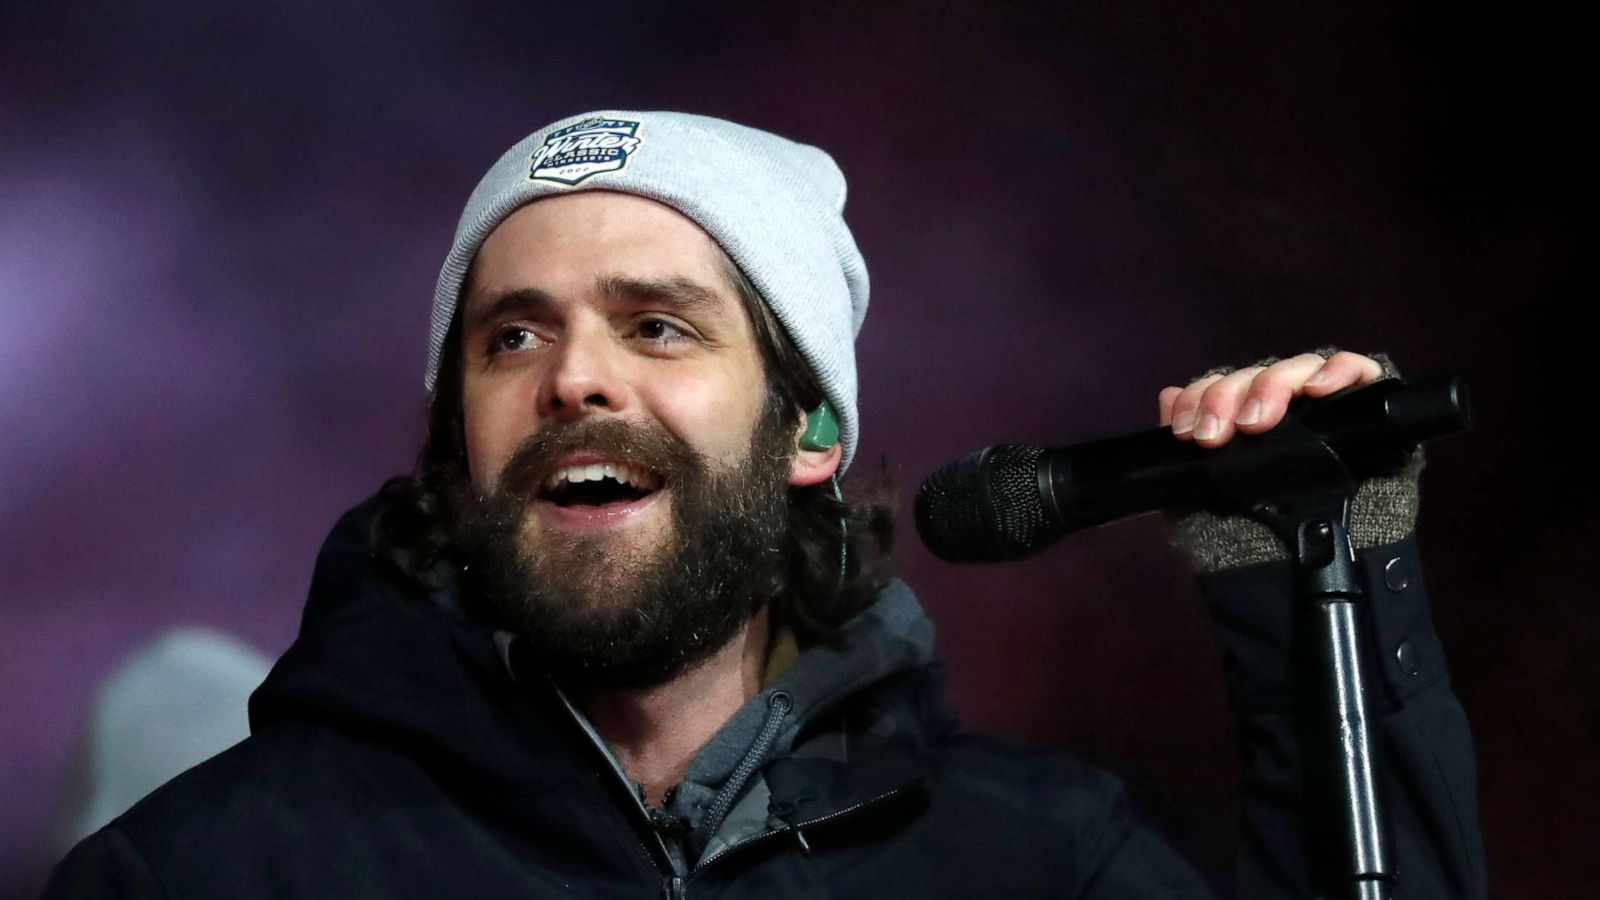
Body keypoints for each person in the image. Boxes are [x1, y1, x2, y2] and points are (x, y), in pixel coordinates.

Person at [43, 111, 1486, 898]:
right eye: (511, 336)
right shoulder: (208, 871)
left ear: (808, 428)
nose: (573, 381)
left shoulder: (1036, 859)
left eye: (657, 326)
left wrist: (1317, 582)